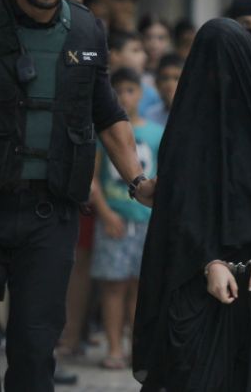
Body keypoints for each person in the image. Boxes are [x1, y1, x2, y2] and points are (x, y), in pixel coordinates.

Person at [0, 0, 155, 391]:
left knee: (34, 348)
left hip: (50, 216)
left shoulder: (87, 34)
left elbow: (109, 116)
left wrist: (139, 182)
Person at [131, 18, 251, 392]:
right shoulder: (185, 136)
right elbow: (177, 211)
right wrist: (208, 261)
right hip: (195, 284)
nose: (220, 78)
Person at [90, 68, 164, 369]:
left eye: (130, 90)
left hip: (147, 223)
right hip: (114, 222)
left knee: (141, 289)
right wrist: (105, 213)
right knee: (113, 287)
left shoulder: (157, 133)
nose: (124, 97)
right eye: (118, 91)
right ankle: (114, 348)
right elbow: (91, 178)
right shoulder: (102, 134)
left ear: (142, 94)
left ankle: (138, 348)